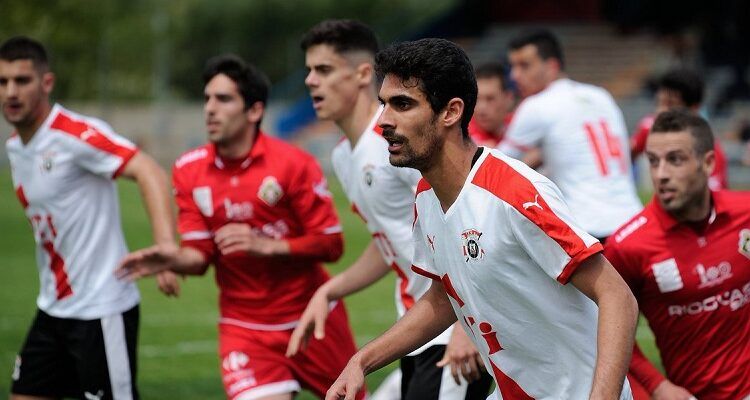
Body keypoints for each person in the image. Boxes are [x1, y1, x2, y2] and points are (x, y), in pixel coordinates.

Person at [327, 37, 638, 400]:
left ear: (450, 112)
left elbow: (617, 296)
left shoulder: (513, 192)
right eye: (384, 104)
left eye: (403, 105)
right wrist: (361, 362)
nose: (384, 122)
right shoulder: (427, 197)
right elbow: (443, 299)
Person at [116, 55, 364, 400]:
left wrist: (267, 246)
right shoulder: (190, 170)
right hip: (245, 329)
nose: (210, 109)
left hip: (313, 317)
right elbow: (200, 257)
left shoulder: (293, 164)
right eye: (207, 99)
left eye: (224, 99)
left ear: (254, 111)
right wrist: (171, 259)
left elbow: (331, 245)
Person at [287, 19, 492, 400]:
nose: (311, 81)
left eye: (324, 70)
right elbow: (392, 240)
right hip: (416, 324)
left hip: (452, 330)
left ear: (363, 74)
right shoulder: (345, 157)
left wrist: (469, 325)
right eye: (309, 71)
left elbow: (471, 221)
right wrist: (330, 290)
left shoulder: (402, 144)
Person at [1, 36, 176, 400]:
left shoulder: (73, 134)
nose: (11, 92)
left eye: (22, 80)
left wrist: (166, 249)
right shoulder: (16, 148)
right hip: (53, 307)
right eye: (3, 82)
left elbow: (149, 171)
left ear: (46, 83)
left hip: (101, 309)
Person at [605, 109, 750, 400]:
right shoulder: (628, 245)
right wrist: (659, 386)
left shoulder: (745, 212)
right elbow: (603, 330)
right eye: (654, 162)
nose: (661, 175)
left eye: (675, 160)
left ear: (708, 163)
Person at [497, 29, 642, 241]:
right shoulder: (601, 96)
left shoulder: (536, 105)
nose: (514, 75)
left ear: (552, 66)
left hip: (590, 230)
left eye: (524, 65)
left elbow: (494, 167)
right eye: (513, 66)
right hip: (634, 222)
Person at [630, 67, 729, 190]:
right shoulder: (649, 127)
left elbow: (713, 198)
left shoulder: (709, 148)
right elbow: (624, 158)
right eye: (659, 103)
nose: (661, 111)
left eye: (670, 104)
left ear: (693, 108)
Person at [468, 61, 515, 147]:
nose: (481, 108)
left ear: (508, 98)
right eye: (476, 99)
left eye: (490, 99)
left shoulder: (519, 124)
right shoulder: (461, 137)